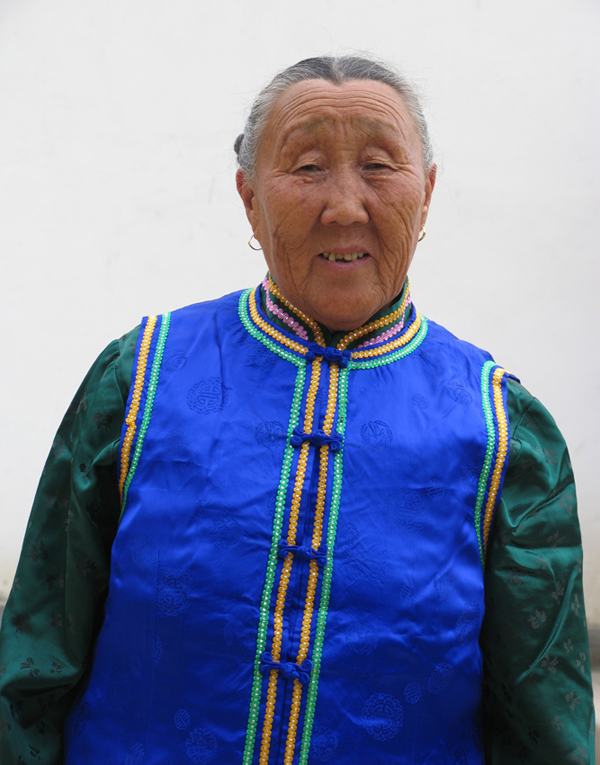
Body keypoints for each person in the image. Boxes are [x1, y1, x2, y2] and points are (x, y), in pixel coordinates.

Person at [0, 55, 595, 764]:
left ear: (427, 194)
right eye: (307, 167)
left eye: (379, 166)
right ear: (249, 197)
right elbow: (33, 667)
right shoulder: (136, 384)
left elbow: (545, 724)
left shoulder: (503, 430)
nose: (344, 206)